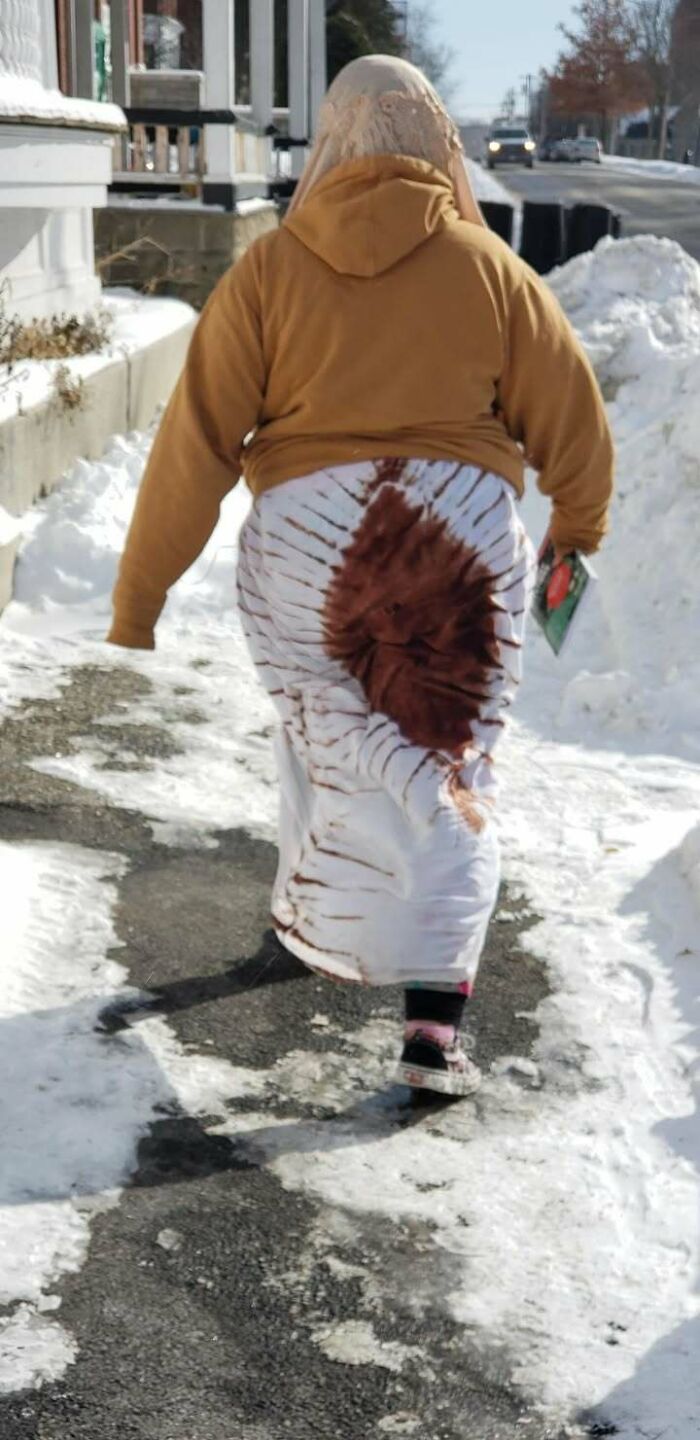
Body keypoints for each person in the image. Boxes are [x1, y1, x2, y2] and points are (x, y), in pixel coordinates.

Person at [108, 55, 614, 1097]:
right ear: (438, 142)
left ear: (331, 141)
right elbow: (577, 430)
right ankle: (433, 1026)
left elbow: (195, 443)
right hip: (461, 546)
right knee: (449, 758)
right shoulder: (489, 270)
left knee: (320, 730)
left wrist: (140, 596)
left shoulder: (267, 270)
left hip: (305, 547)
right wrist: (572, 537)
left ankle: (301, 925)